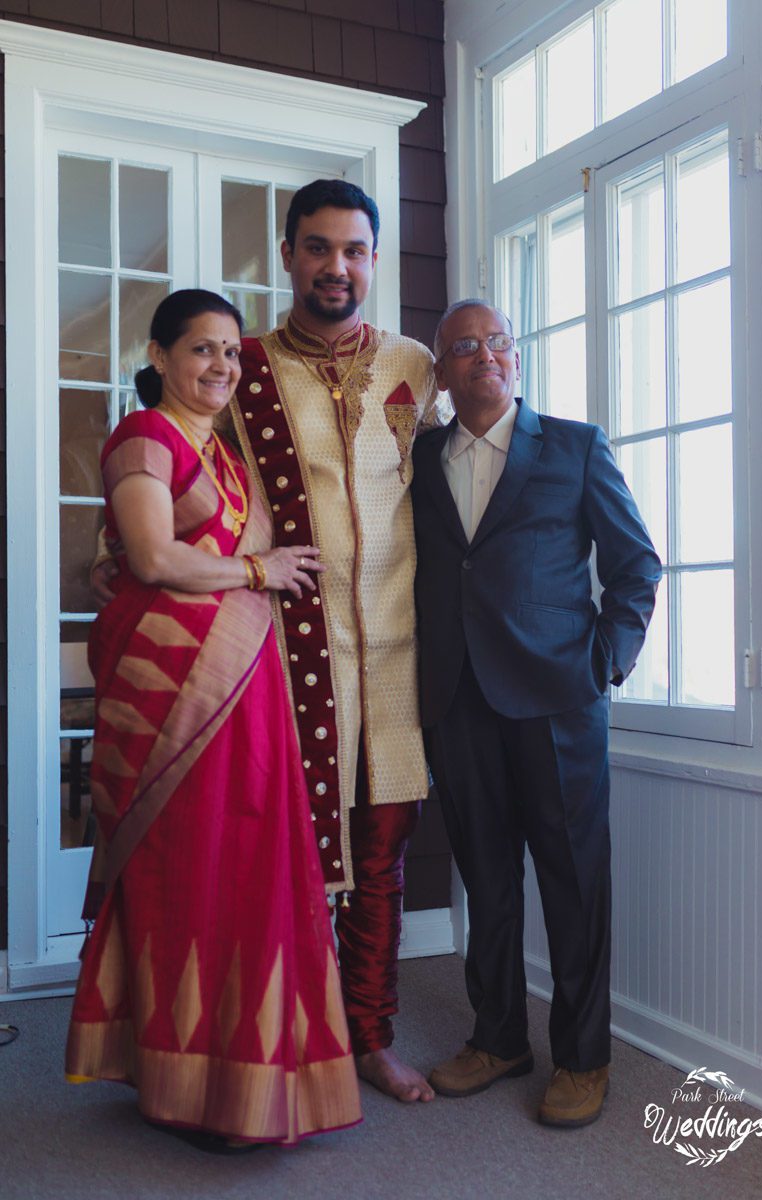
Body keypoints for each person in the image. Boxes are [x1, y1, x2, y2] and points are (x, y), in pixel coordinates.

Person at [66, 289, 362, 1149]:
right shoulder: (144, 438)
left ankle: (244, 1079)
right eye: (202, 349)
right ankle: (184, 1084)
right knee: (186, 868)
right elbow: (154, 557)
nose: (221, 366)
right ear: (160, 356)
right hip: (170, 695)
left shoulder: (226, 458)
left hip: (244, 686)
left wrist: (254, 570)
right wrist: (261, 570)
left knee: (246, 863)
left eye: (232, 352)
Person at [411, 299, 661, 1127]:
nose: (485, 355)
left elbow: (636, 567)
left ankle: (584, 1058)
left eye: (498, 342)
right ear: (442, 372)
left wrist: (605, 664)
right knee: (485, 878)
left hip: (559, 703)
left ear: (515, 359)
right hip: (457, 701)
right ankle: (498, 1039)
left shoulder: (576, 447)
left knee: (573, 881)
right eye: (464, 346)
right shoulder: (419, 460)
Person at [227, 178, 449, 1103]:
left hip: (399, 656)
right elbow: (200, 487)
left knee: (382, 858)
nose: (336, 266)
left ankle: (369, 1039)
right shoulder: (241, 368)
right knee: (285, 856)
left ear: (374, 260)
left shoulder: (415, 366)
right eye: (317, 247)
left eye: (354, 250)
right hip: (286, 655)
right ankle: (288, 1042)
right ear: (287, 255)